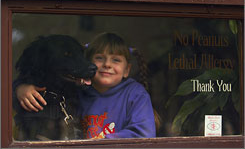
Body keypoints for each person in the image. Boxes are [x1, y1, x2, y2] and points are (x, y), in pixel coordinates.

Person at [14, 32, 156, 139]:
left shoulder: (135, 94)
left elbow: (144, 134)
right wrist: (20, 87)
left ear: (127, 70)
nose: (107, 64)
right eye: (99, 58)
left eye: (116, 60)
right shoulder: (81, 90)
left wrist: (96, 143)